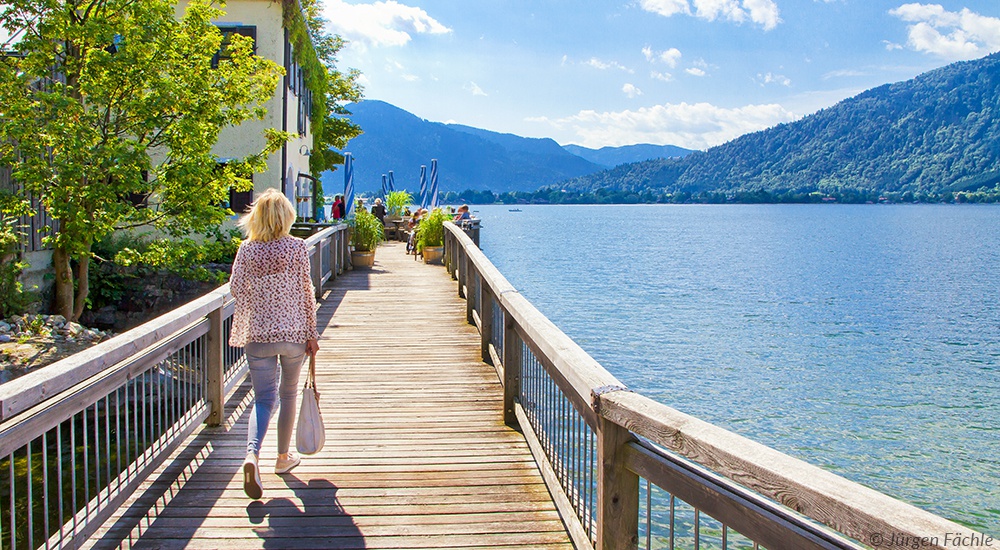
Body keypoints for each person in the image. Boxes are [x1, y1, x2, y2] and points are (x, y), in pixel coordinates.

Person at [229, 188, 320, 500]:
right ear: (286, 217)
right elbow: (307, 293)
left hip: (257, 335)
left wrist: (262, 298)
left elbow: (236, 289)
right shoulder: (296, 247)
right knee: (288, 394)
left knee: (264, 399)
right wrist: (312, 335)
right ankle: (282, 459)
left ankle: (252, 456)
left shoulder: (247, 250)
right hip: (293, 334)